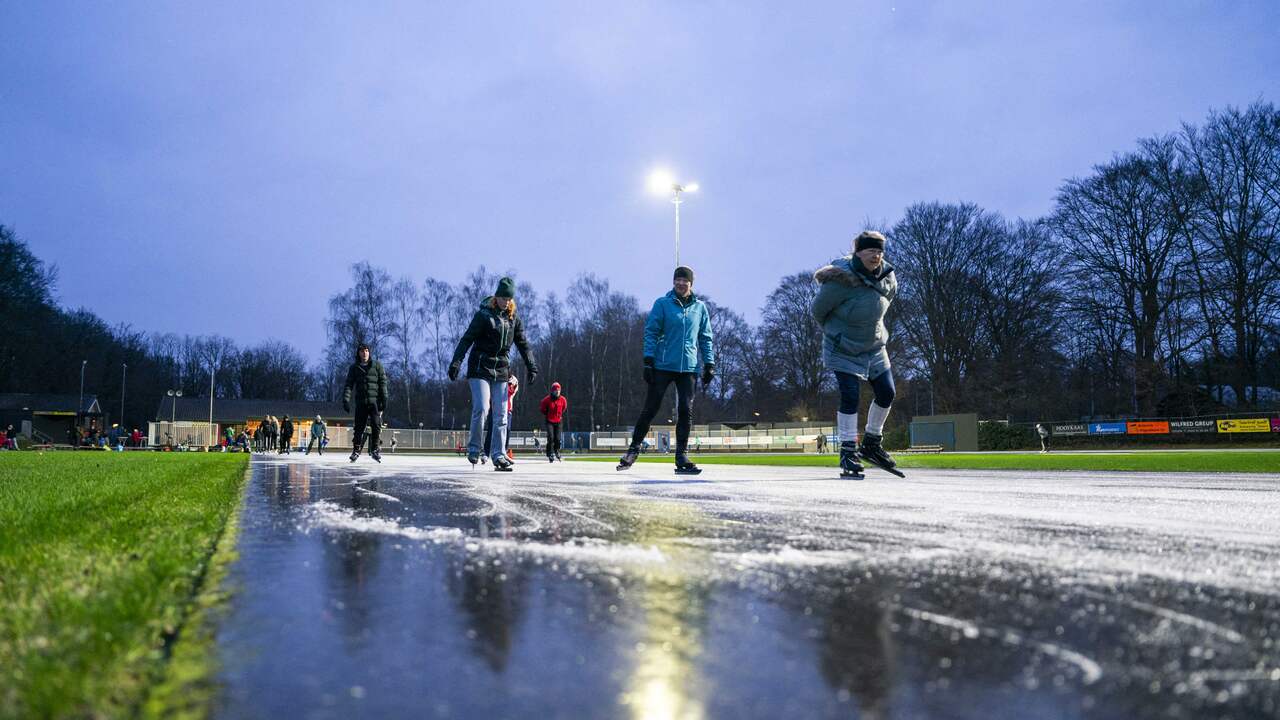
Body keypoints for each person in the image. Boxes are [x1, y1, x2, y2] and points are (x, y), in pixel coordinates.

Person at [812, 230, 900, 478]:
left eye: (879, 251)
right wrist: (839, 332)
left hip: (874, 346)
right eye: (871, 251)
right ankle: (848, 451)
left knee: (887, 392)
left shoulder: (887, 276)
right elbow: (818, 311)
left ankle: (872, 444)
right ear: (858, 253)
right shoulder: (840, 280)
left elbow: (887, 301)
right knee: (850, 395)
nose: (876, 256)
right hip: (843, 348)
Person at [616, 266, 715, 474]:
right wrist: (648, 360)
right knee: (651, 408)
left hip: (688, 367)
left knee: (686, 411)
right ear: (673, 282)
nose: (681, 283)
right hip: (663, 365)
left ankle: (681, 455)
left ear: (691, 284)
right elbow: (651, 332)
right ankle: (633, 450)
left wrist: (709, 364)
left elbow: (705, 337)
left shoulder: (700, 308)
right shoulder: (662, 304)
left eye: (684, 281)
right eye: (677, 280)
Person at [449, 277, 538, 471]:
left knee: (501, 414)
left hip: (501, 371)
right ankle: (474, 448)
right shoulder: (483, 315)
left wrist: (531, 366)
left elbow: (523, 344)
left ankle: (498, 454)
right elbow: (467, 340)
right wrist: (456, 362)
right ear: (496, 296)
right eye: (503, 297)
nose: (506, 301)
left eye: (509, 298)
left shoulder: (513, 319)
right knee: (482, 407)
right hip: (480, 368)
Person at [343, 343, 389, 462]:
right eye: (362, 351)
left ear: (369, 352)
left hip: (375, 402)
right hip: (361, 402)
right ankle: (356, 450)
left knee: (376, 425)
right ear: (359, 353)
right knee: (359, 427)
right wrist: (346, 400)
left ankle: (374, 449)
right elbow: (349, 384)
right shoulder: (354, 368)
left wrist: (384, 399)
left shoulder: (377, 366)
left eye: (367, 351)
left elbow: (383, 383)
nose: (365, 353)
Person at [484, 374, 520, 462]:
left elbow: (513, 392)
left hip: (507, 409)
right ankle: (485, 452)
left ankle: (504, 452)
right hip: (495, 408)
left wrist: (510, 385)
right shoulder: (496, 375)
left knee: (507, 430)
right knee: (491, 429)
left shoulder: (514, 380)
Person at [540, 382, 567, 462]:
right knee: (551, 438)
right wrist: (548, 414)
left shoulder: (563, 399)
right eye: (556, 390)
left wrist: (559, 415)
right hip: (549, 421)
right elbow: (542, 409)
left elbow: (564, 408)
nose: (557, 392)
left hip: (558, 421)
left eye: (559, 390)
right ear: (552, 391)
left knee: (558, 439)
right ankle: (550, 453)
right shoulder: (547, 400)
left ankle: (557, 451)